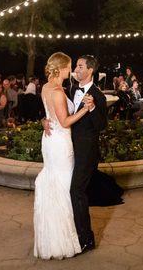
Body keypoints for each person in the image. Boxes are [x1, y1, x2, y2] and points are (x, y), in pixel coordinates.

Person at [40, 54, 109, 257]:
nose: (75, 70)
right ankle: (67, 235)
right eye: (75, 66)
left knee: (75, 191)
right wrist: (44, 120)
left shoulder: (98, 95)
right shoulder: (68, 88)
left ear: (90, 70)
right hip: (65, 149)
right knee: (67, 190)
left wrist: (93, 107)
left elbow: (101, 126)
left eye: (80, 67)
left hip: (85, 153)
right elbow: (54, 110)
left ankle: (86, 239)